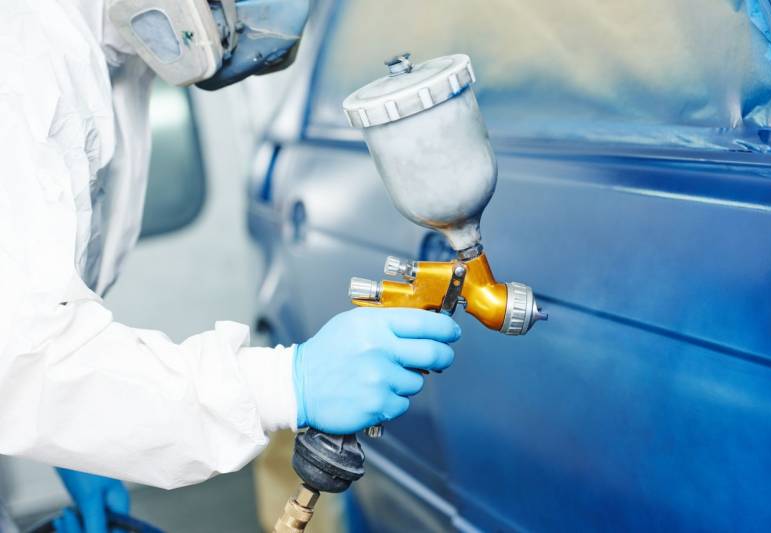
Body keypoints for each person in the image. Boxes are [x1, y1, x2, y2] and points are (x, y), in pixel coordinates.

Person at [0, 0, 461, 531]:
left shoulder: (114, 50)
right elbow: (21, 356)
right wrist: (283, 384)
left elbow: (38, 299)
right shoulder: (22, 57)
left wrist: (71, 442)